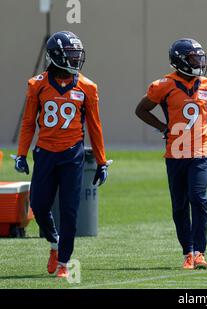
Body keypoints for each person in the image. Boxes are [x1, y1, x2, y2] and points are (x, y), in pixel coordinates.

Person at [14, 31, 109, 278]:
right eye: (70, 55)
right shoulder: (37, 84)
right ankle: (55, 243)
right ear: (56, 56)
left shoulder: (87, 86)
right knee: (38, 204)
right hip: (45, 153)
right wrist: (21, 154)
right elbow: (28, 123)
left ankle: (64, 263)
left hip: (72, 155)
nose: (76, 60)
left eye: (77, 55)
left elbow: (95, 127)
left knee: (69, 211)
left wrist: (101, 161)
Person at [135, 38, 207, 270]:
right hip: (175, 152)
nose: (199, 63)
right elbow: (141, 109)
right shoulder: (163, 85)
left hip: (201, 150)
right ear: (181, 60)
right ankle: (188, 251)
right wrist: (163, 128)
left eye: (199, 58)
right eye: (194, 58)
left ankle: (200, 252)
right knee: (180, 205)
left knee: (199, 199)